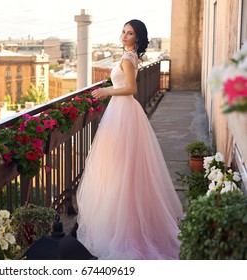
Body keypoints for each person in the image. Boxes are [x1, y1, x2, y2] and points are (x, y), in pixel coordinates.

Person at [76, 19, 184, 260]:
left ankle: (123, 228)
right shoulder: (130, 56)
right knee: (124, 169)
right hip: (123, 112)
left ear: (137, 37)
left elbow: (131, 89)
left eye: (130, 33)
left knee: (120, 168)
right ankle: (125, 221)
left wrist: (106, 91)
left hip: (123, 110)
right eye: (123, 31)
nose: (124, 35)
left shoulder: (128, 58)